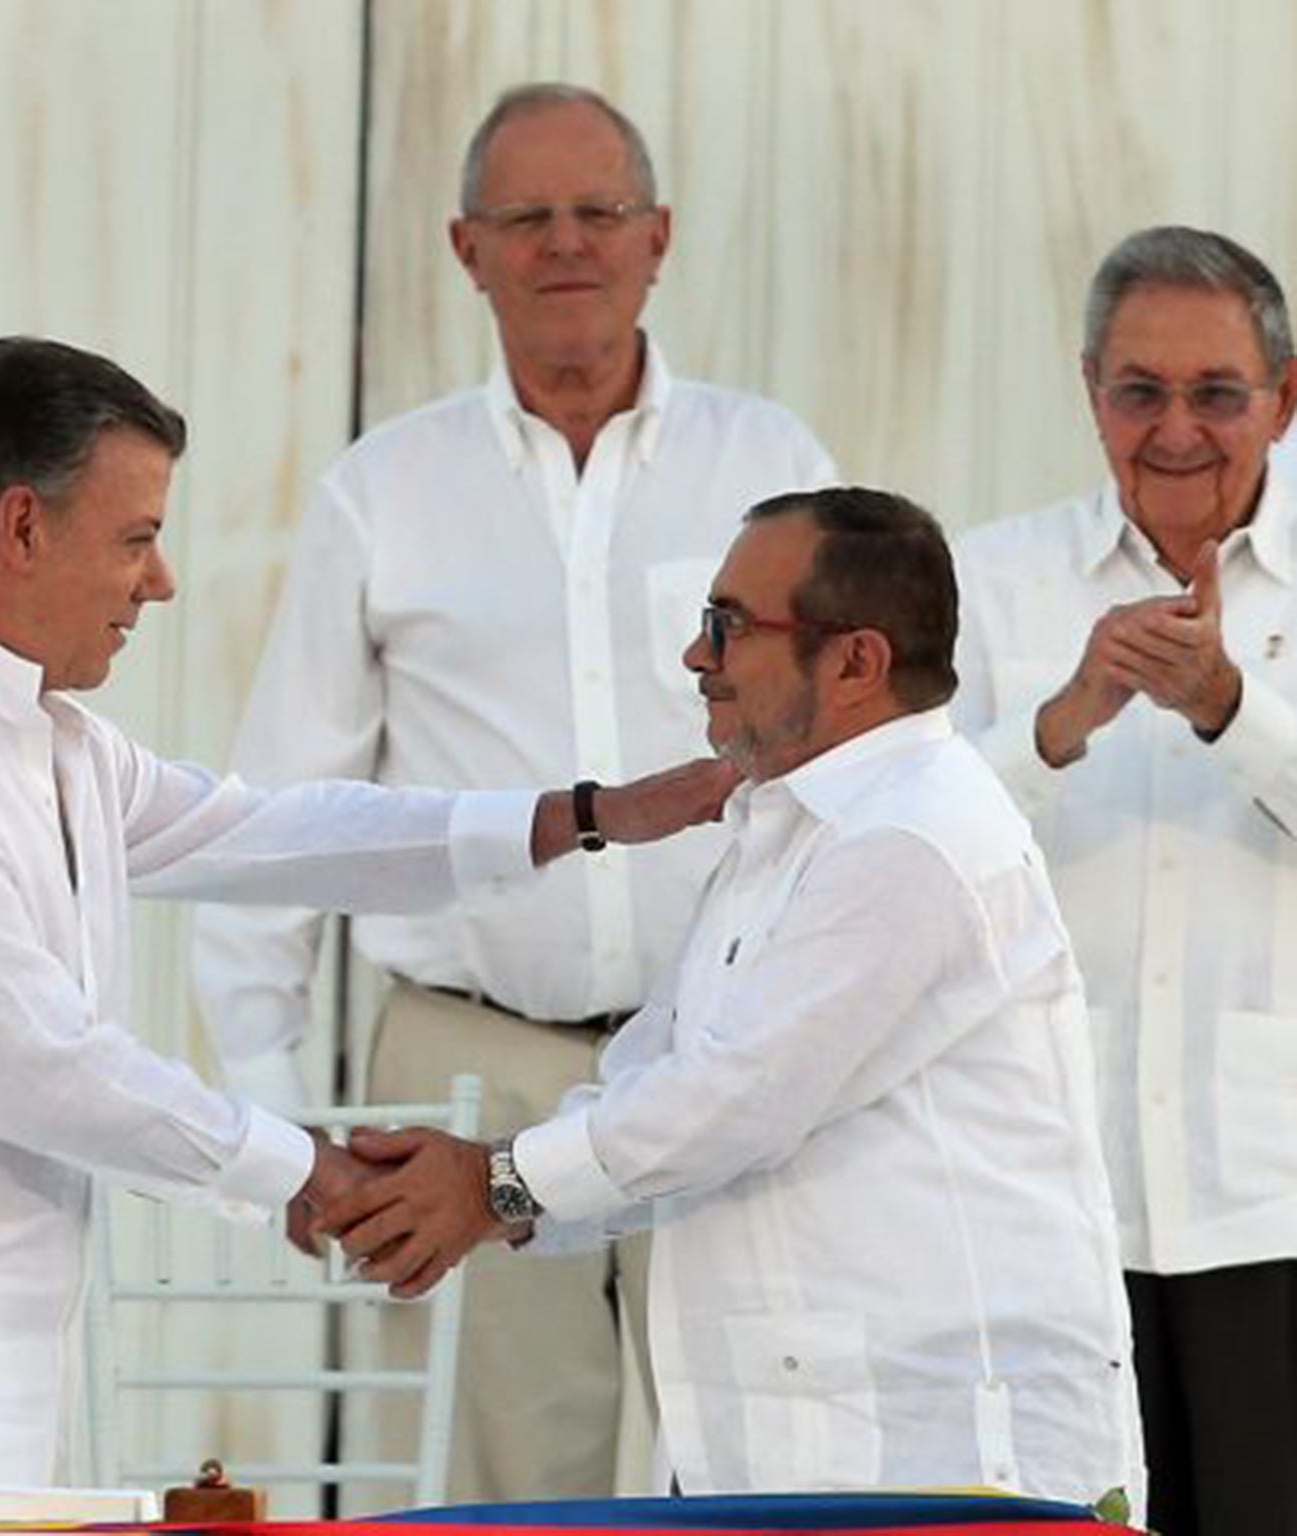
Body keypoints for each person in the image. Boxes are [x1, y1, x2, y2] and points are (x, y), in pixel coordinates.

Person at [0, 335, 739, 1487]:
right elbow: (37, 1065)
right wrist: (298, 1169)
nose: (161, 582)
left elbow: (275, 832)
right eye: (136, 539)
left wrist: (579, 815)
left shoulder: (54, 741)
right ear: (22, 529)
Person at [191, 81, 834, 1500]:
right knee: (495, 1499)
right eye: (525, 218)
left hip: (723, 1061)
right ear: (463, 248)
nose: (566, 246)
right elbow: (282, 824)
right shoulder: (383, 491)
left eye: (598, 213)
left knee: (743, 1469)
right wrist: (270, 1112)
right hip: (470, 1070)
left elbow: (860, 754)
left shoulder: (773, 470)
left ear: (659, 236)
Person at [325, 488, 1143, 1506]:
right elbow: (654, 1081)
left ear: (855, 662)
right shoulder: (785, 829)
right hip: (793, 1446)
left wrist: (495, 1183)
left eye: (726, 626)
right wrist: (501, 1207)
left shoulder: (912, 835)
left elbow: (734, 1100)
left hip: (939, 1460)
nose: (694, 657)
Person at [952, 226, 1297, 1536]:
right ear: (1090, 387)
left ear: (1284, 395)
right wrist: (1061, 720)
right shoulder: (991, 581)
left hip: (1276, 1197)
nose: (1177, 430)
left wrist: (1228, 706)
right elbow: (908, 864)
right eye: (1138, 391)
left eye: (1218, 393)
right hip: (1052, 1200)